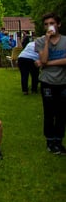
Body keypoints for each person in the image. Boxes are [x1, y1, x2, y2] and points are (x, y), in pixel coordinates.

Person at [35, 12, 66, 155]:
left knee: (61, 113)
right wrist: (47, 42)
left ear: (58, 24)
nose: (49, 27)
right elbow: (44, 59)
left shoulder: (65, 41)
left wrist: (44, 63)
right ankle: (50, 141)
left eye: (52, 23)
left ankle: (58, 141)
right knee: (49, 112)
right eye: (46, 24)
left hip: (63, 82)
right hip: (47, 81)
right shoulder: (40, 41)